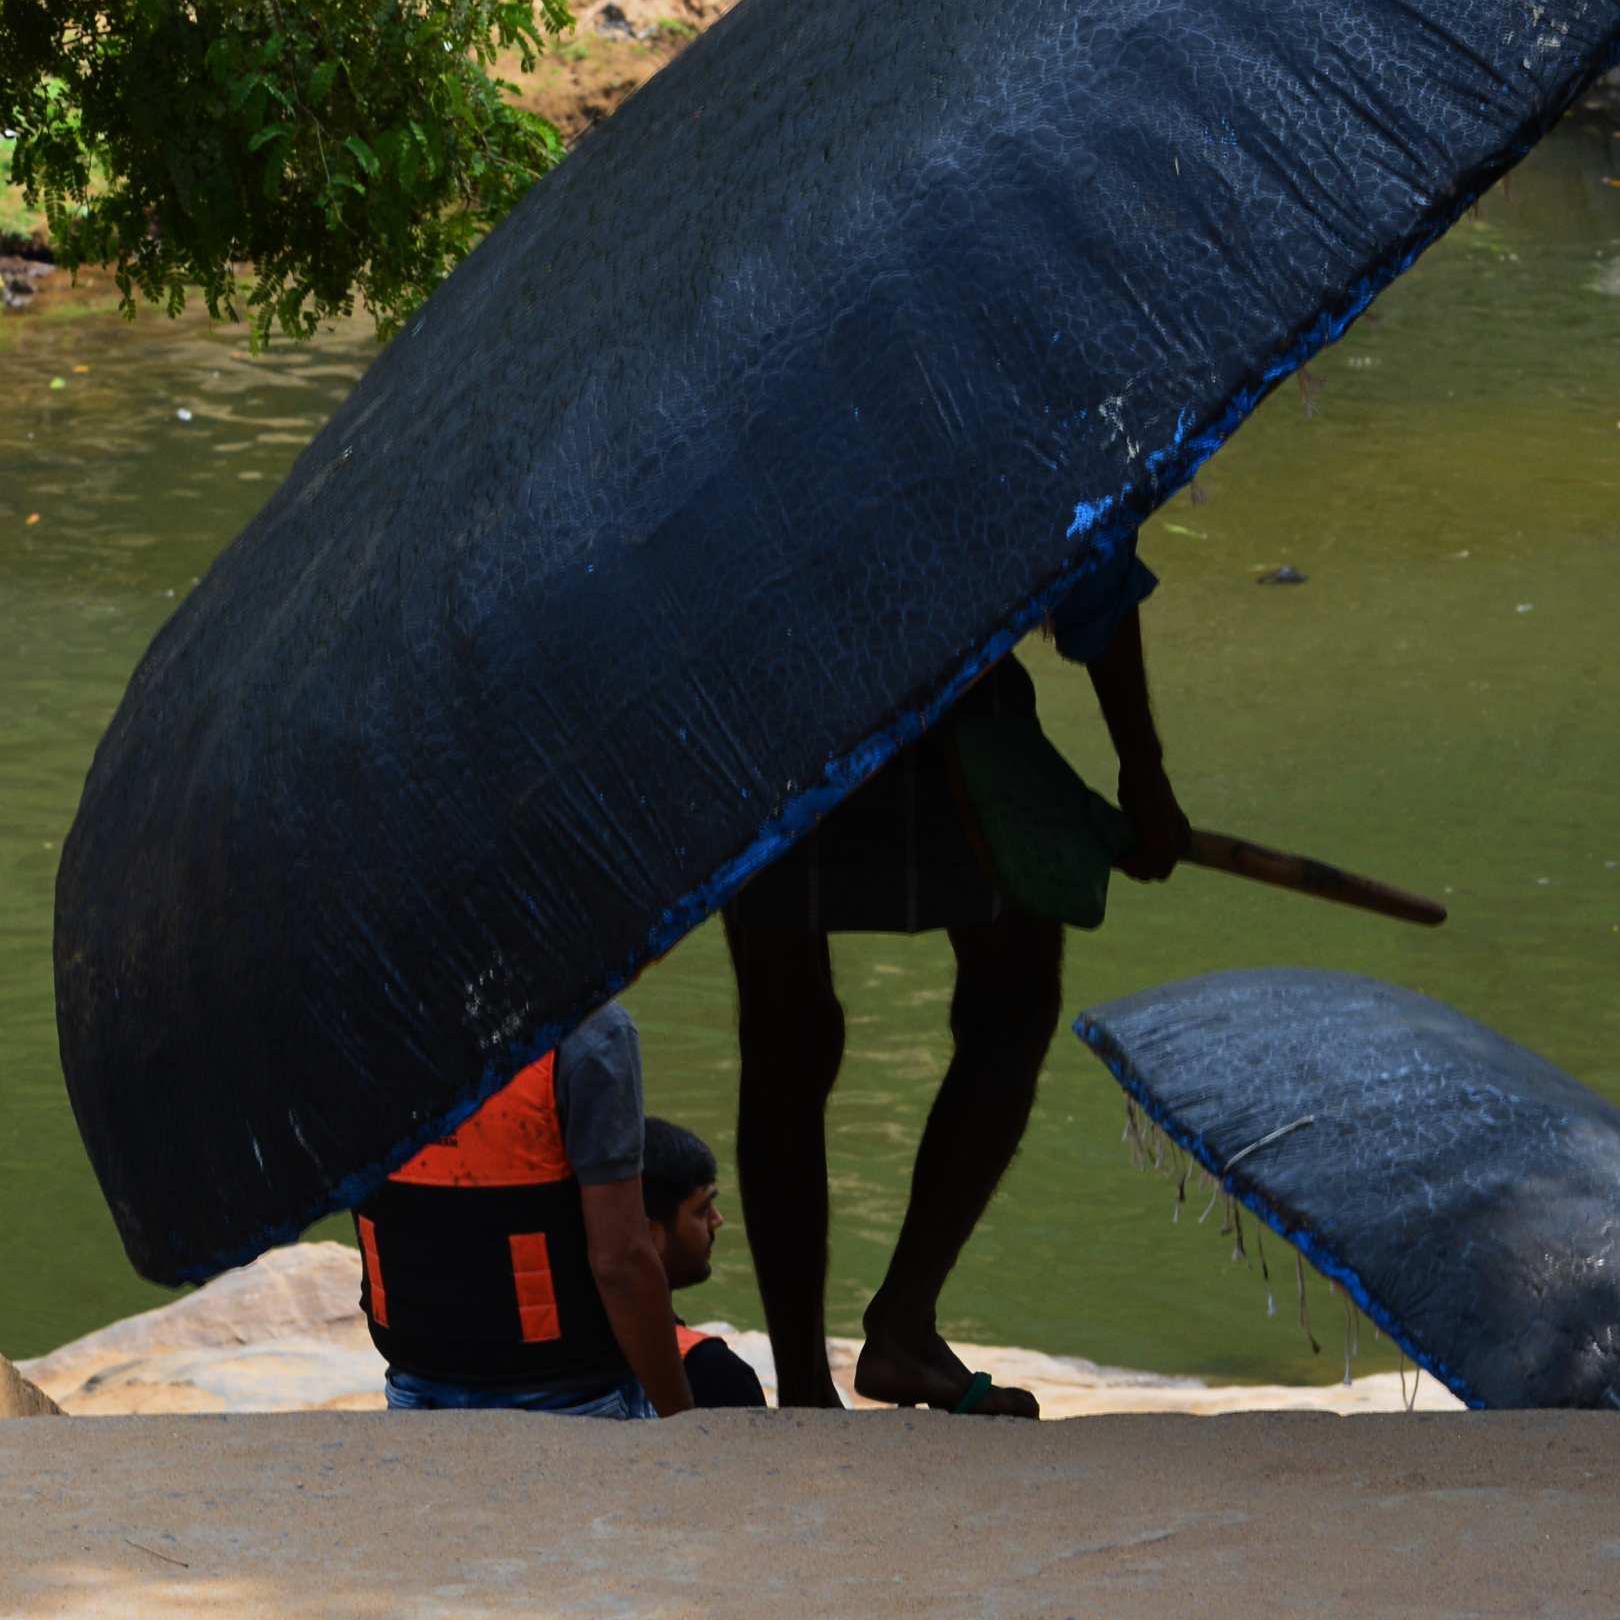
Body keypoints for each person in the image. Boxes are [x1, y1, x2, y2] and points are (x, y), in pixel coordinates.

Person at [722, 535, 1189, 1414]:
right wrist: (1143, 768)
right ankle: (898, 1324)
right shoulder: (968, 394)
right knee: (1013, 996)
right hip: (940, 689)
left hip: (759, 705)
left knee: (784, 1029)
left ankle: (807, 1384)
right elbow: (1089, 559)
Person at [354, 996, 693, 1418]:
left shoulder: (358, 1030)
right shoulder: (590, 1031)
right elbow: (619, 1260)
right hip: (571, 1399)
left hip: (415, 1386)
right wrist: (681, 1419)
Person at [641, 1115, 770, 1409]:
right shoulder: (716, 1377)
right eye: (702, 1209)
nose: (717, 1220)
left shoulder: (542, 1354)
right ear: (646, 1234)